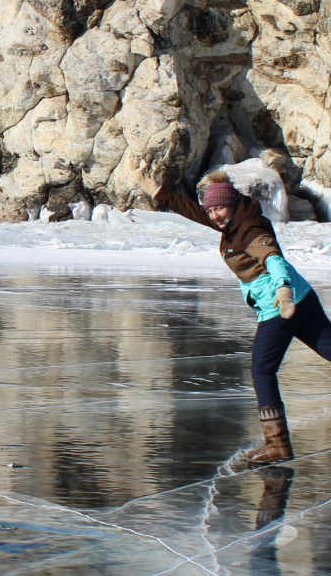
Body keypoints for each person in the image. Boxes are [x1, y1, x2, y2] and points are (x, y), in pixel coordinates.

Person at [130, 165, 325, 465]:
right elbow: (196, 211)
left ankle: (278, 444)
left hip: (280, 304)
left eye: (219, 208)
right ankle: (277, 443)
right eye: (212, 211)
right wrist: (160, 193)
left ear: (230, 205)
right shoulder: (237, 219)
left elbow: (271, 257)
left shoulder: (249, 228)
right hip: (304, 296)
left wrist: (282, 291)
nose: (214, 216)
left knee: (262, 371)